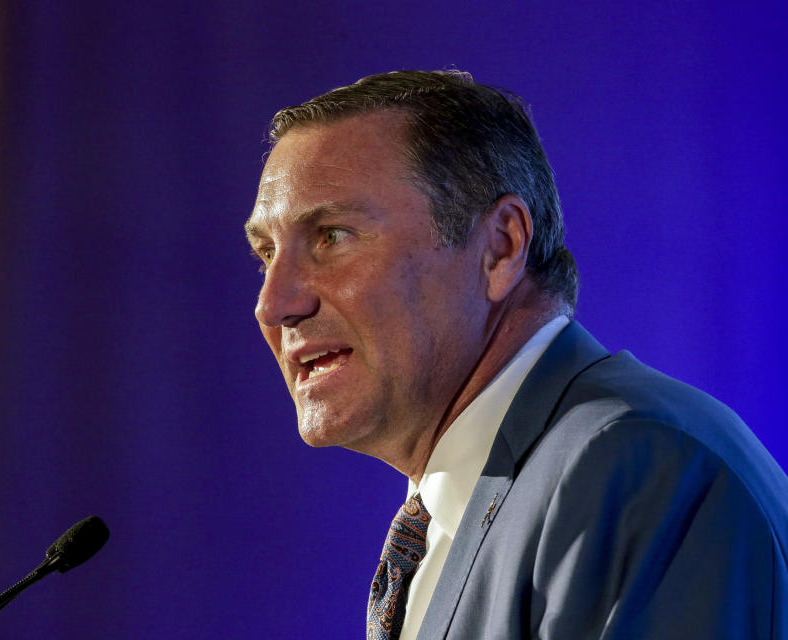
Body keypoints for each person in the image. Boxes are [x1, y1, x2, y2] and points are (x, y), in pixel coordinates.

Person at [244, 70, 788, 639]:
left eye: (332, 236)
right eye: (265, 254)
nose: (274, 304)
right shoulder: (465, 510)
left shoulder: (636, 467)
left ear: (501, 247)